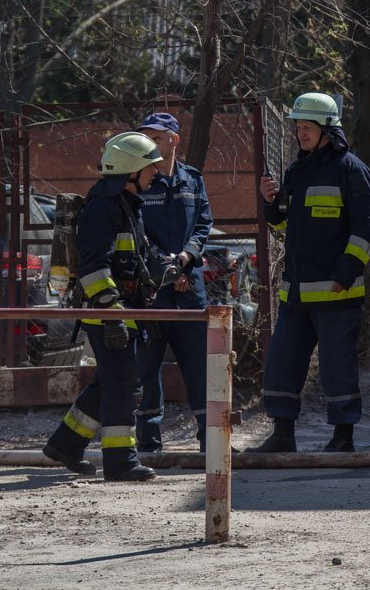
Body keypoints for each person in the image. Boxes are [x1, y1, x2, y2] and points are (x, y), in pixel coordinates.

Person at [247, 92, 370, 453]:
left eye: (307, 128)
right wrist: (270, 202)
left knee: (337, 368)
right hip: (296, 294)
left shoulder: (351, 170)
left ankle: (342, 437)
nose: (300, 134)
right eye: (298, 128)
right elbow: (281, 224)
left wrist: (347, 271)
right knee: (282, 363)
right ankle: (282, 434)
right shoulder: (296, 171)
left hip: (337, 293)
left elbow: (367, 227)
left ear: (327, 129)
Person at [42, 131, 163, 481]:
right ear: (130, 171)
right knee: (125, 384)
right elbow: (94, 267)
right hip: (107, 312)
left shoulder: (127, 206)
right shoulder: (101, 209)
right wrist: (112, 315)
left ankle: (65, 444)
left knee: (109, 381)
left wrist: (163, 267)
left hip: (121, 310)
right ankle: (120, 461)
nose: (155, 173)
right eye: (149, 167)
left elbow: (134, 257)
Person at [133, 111, 214, 452]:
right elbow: (136, 230)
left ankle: (210, 439)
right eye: (146, 136)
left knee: (199, 365)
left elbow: (203, 225)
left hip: (189, 288)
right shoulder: (140, 179)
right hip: (152, 290)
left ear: (174, 140)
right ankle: (149, 442)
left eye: (157, 137)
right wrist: (167, 267)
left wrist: (185, 260)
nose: (150, 143)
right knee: (146, 366)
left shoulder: (193, 179)